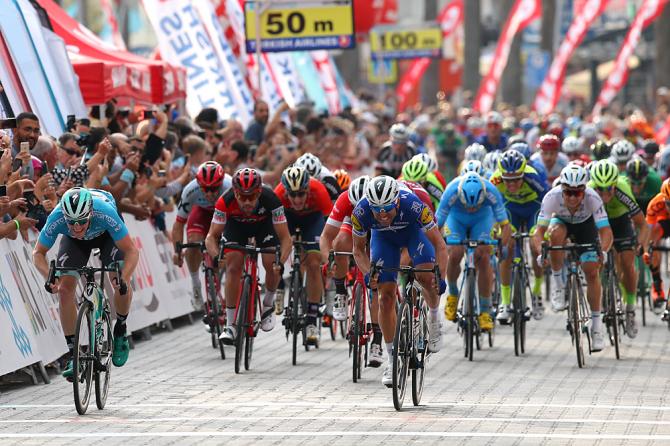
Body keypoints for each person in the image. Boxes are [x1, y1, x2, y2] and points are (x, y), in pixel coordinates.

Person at [32, 187, 139, 377]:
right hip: (75, 244)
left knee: (118, 282)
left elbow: (132, 251)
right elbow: (38, 253)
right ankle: (74, 354)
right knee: (65, 290)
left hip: (107, 236)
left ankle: (121, 328)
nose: (77, 227)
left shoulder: (104, 212)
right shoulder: (57, 217)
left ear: (90, 213)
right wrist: (49, 275)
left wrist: (125, 277)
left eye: (81, 221)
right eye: (71, 223)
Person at [351, 176, 447, 387]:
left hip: (414, 233)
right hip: (383, 239)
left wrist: (440, 277)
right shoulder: (361, 211)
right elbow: (358, 250)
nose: (382, 214)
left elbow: (440, 245)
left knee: (426, 276)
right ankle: (392, 359)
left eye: (387, 208)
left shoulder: (413, 204)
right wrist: (369, 274)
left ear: (396, 201)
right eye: (377, 210)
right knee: (384, 297)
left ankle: (433, 317)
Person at [532, 164, 613, 352]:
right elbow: (539, 233)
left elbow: (606, 231)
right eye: (568, 192)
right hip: (561, 223)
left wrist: (605, 250)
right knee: (554, 235)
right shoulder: (551, 197)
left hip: (586, 227)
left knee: (592, 271)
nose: (572, 197)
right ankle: (559, 286)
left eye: (577, 193)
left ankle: (596, 327)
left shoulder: (593, 198)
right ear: (562, 189)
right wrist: (539, 252)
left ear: (584, 190)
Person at [206, 168, 292, 344]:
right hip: (236, 227)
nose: (247, 202)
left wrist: (281, 262)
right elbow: (211, 237)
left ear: (259, 192)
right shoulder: (225, 201)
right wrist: (216, 257)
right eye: (242, 197)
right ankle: (230, 325)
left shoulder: (271, 200)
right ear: (235, 193)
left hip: (264, 227)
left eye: (252, 197)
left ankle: (268, 304)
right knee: (233, 266)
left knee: (270, 262)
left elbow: (286, 239)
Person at [438, 172, 511, 332]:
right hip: (456, 219)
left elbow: (506, 226)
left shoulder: (491, 191)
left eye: (474, 205)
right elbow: (436, 227)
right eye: (468, 205)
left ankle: (485, 311)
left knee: (484, 256)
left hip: (482, 219)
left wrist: (502, 246)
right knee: (455, 252)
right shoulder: (451, 191)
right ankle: (453, 294)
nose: (471, 208)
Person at [588, 160, 649, 338]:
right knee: (594, 263)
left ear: (615, 185)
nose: (604, 193)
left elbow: (642, 224)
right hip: (599, 223)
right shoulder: (589, 190)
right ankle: (599, 303)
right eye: (600, 189)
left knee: (629, 264)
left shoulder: (623, 190)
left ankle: (630, 308)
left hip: (620, 221)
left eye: (609, 189)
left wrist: (640, 244)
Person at [274, 166, 333, 345]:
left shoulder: (319, 191)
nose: (297, 199)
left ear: (308, 189)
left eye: (301, 194)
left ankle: (311, 320)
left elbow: (330, 226)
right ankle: (279, 287)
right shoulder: (278, 194)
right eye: (292, 195)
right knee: (275, 253)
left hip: (313, 219)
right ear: (286, 192)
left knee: (314, 263)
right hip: (288, 217)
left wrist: (327, 252)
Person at [490, 150, 548, 323]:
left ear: (523, 173)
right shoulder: (495, 180)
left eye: (517, 179)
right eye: (508, 180)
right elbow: (490, 206)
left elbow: (548, 202)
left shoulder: (533, 178)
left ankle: (537, 292)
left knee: (534, 245)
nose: (512, 184)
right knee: (507, 247)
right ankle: (505, 303)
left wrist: (543, 231)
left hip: (533, 209)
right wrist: (494, 229)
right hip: (511, 210)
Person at [171, 161, 232, 309]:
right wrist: (177, 251)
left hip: (225, 215)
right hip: (201, 213)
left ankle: (215, 286)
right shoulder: (190, 190)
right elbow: (179, 224)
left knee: (219, 249)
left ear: (221, 183)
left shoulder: (230, 187)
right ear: (198, 184)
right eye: (205, 189)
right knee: (193, 242)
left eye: (213, 189)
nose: (210, 193)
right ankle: (195, 284)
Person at [643, 179, 670, 315]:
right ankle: (657, 284)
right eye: (669, 204)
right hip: (664, 222)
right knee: (654, 242)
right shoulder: (655, 203)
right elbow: (649, 231)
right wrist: (647, 251)